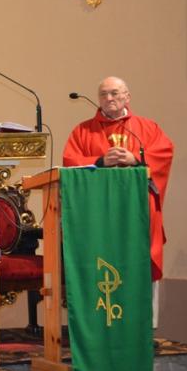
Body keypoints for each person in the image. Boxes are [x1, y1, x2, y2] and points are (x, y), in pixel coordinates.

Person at [63, 76, 174, 282]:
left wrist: (136, 159)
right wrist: (100, 161)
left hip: (136, 209)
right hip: (98, 212)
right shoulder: (83, 131)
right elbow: (70, 161)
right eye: (103, 94)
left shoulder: (147, 128)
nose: (109, 98)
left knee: (138, 267)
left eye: (114, 93)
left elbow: (164, 153)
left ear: (127, 97)